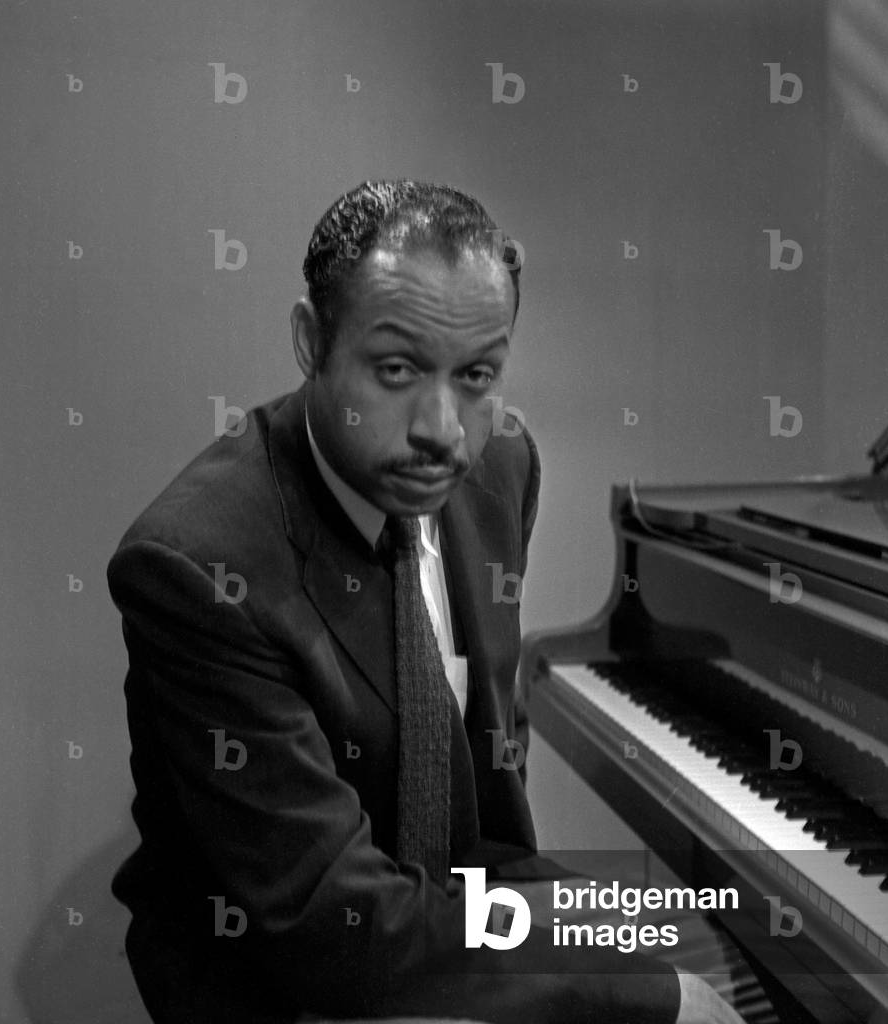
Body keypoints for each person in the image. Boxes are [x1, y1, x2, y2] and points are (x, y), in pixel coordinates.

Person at [108, 180, 747, 1023]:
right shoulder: (199, 564)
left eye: (478, 374)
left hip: (456, 899)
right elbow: (338, 929)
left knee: (716, 949)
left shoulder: (501, 465)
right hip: (287, 971)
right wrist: (641, 995)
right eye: (397, 370)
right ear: (311, 342)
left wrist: (613, 950)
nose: (443, 429)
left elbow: (474, 778)